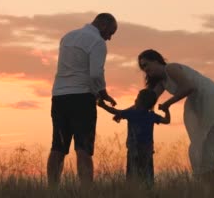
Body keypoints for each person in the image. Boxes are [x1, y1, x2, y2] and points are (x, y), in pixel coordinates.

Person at [137, 49, 214, 180]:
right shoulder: (161, 82)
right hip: (199, 105)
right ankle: (210, 185)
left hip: (209, 99)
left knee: (207, 145)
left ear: (155, 61)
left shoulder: (171, 68)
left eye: (146, 65)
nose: (145, 70)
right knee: (203, 147)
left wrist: (168, 103)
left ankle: (209, 183)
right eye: (142, 68)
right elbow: (147, 100)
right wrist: (126, 112)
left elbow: (189, 87)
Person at [47, 13, 118, 186]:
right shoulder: (97, 42)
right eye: (111, 32)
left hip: (59, 96)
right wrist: (102, 92)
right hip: (82, 98)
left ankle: (51, 190)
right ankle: (86, 192)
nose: (109, 38)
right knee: (83, 148)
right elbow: (95, 73)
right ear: (103, 25)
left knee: (58, 147)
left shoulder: (67, 37)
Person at [98, 89, 170, 186]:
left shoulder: (132, 113)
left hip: (133, 150)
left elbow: (115, 111)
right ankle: (148, 193)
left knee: (132, 176)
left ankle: (133, 193)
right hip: (147, 151)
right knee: (147, 176)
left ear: (140, 101)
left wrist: (103, 106)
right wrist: (166, 110)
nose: (135, 100)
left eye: (137, 98)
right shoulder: (151, 115)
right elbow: (167, 120)